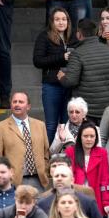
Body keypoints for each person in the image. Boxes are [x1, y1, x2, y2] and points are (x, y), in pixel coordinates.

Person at [60, 18, 109, 125]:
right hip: (107, 109)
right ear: (97, 32)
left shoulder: (77, 53)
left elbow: (71, 81)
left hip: (86, 111)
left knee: (88, 140)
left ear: (79, 34)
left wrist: (61, 76)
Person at [33, 8, 79, 143]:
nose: (61, 22)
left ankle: (65, 158)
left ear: (68, 21)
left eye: (64, 19)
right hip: (52, 85)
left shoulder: (73, 37)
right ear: (52, 22)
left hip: (70, 85)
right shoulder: (44, 36)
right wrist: (61, 57)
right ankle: (47, 158)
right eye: (57, 19)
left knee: (67, 124)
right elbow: (37, 61)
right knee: (51, 125)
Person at [0, 92, 50, 191]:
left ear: (28, 106)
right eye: (14, 102)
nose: (17, 104)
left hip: (39, 180)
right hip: (14, 182)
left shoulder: (40, 125)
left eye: (21, 102)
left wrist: (45, 171)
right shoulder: (0, 128)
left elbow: (46, 153)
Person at [64, 121, 109, 214]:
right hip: (75, 196)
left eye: (92, 136)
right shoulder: (70, 152)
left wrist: (106, 202)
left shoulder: (102, 153)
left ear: (96, 138)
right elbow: (68, 178)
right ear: (80, 137)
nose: (89, 139)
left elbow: (105, 180)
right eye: (85, 136)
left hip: (95, 196)